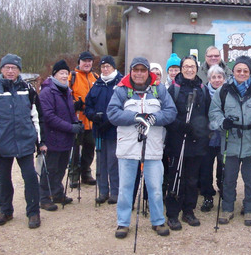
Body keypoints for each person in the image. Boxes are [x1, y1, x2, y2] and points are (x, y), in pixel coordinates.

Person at [107, 57, 177, 238]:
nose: (139, 73)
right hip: (128, 147)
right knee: (125, 188)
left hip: (153, 146)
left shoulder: (159, 89)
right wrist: (135, 116)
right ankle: (122, 223)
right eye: (135, 70)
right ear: (131, 71)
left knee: (155, 187)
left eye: (142, 70)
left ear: (148, 72)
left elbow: (171, 112)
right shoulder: (121, 90)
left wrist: (155, 118)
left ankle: (158, 221)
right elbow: (112, 113)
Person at [0, 54, 46, 229]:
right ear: (1, 69)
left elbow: (37, 116)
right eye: (7, 67)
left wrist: (39, 141)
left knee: (30, 178)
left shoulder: (28, 90)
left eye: (14, 68)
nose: (10, 71)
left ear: (19, 71)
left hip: (25, 143)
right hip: (1, 146)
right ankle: (6, 211)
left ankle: (33, 213)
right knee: (4, 180)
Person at [209, 55, 251, 226]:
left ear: (250, 72)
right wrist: (223, 122)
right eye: (239, 70)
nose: (242, 73)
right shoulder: (223, 91)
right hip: (230, 141)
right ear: (233, 71)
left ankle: (250, 209)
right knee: (228, 178)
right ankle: (227, 208)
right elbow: (214, 112)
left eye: (245, 70)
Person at [165, 56, 211, 230]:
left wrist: (202, 132)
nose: (189, 70)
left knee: (192, 179)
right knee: (176, 177)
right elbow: (167, 114)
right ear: (181, 68)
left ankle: (189, 211)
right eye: (186, 66)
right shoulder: (173, 89)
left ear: (196, 68)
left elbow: (208, 115)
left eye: (192, 66)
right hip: (177, 142)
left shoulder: (202, 89)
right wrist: (180, 126)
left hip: (196, 143)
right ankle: (172, 213)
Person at [38, 60, 82, 212]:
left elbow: (70, 112)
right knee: (50, 168)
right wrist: (71, 127)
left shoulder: (66, 91)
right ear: (54, 74)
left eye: (66, 73)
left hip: (66, 138)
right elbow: (49, 117)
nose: (64, 76)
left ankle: (56, 193)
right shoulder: (47, 92)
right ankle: (43, 197)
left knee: (62, 167)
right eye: (61, 73)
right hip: (53, 137)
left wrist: (76, 122)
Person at [85, 56, 123, 205]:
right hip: (99, 130)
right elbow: (88, 105)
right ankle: (103, 191)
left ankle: (115, 191)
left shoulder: (120, 83)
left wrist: (110, 120)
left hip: (114, 130)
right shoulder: (97, 84)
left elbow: (123, 106)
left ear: (113, 67)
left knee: (114, 160)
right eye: (102, 67)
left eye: (108, 66)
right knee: (101, 161)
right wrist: (93, 116)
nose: (105, 69)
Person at [68, 51, 98, 187]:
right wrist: (74, 104)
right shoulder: (72, 77)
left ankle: (86, 173)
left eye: (89, 61)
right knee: (75, 149)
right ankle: (73, 176)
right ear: (79, 62)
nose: (87, 63)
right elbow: (66, 96)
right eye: (84, 61)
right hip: (77, 119)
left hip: (91, 121)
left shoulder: (96, 77)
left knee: (89, 148)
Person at [198, 65, 226, 212]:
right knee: (206, 168)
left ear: (224, 79)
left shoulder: (228, 93)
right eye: (214, 77)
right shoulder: (203, 92)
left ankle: (223, 191)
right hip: (207, 137)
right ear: (209, 79)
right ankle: (207, 195)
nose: (216, 80)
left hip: (223, 136)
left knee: (223, 166)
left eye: (219, 77)